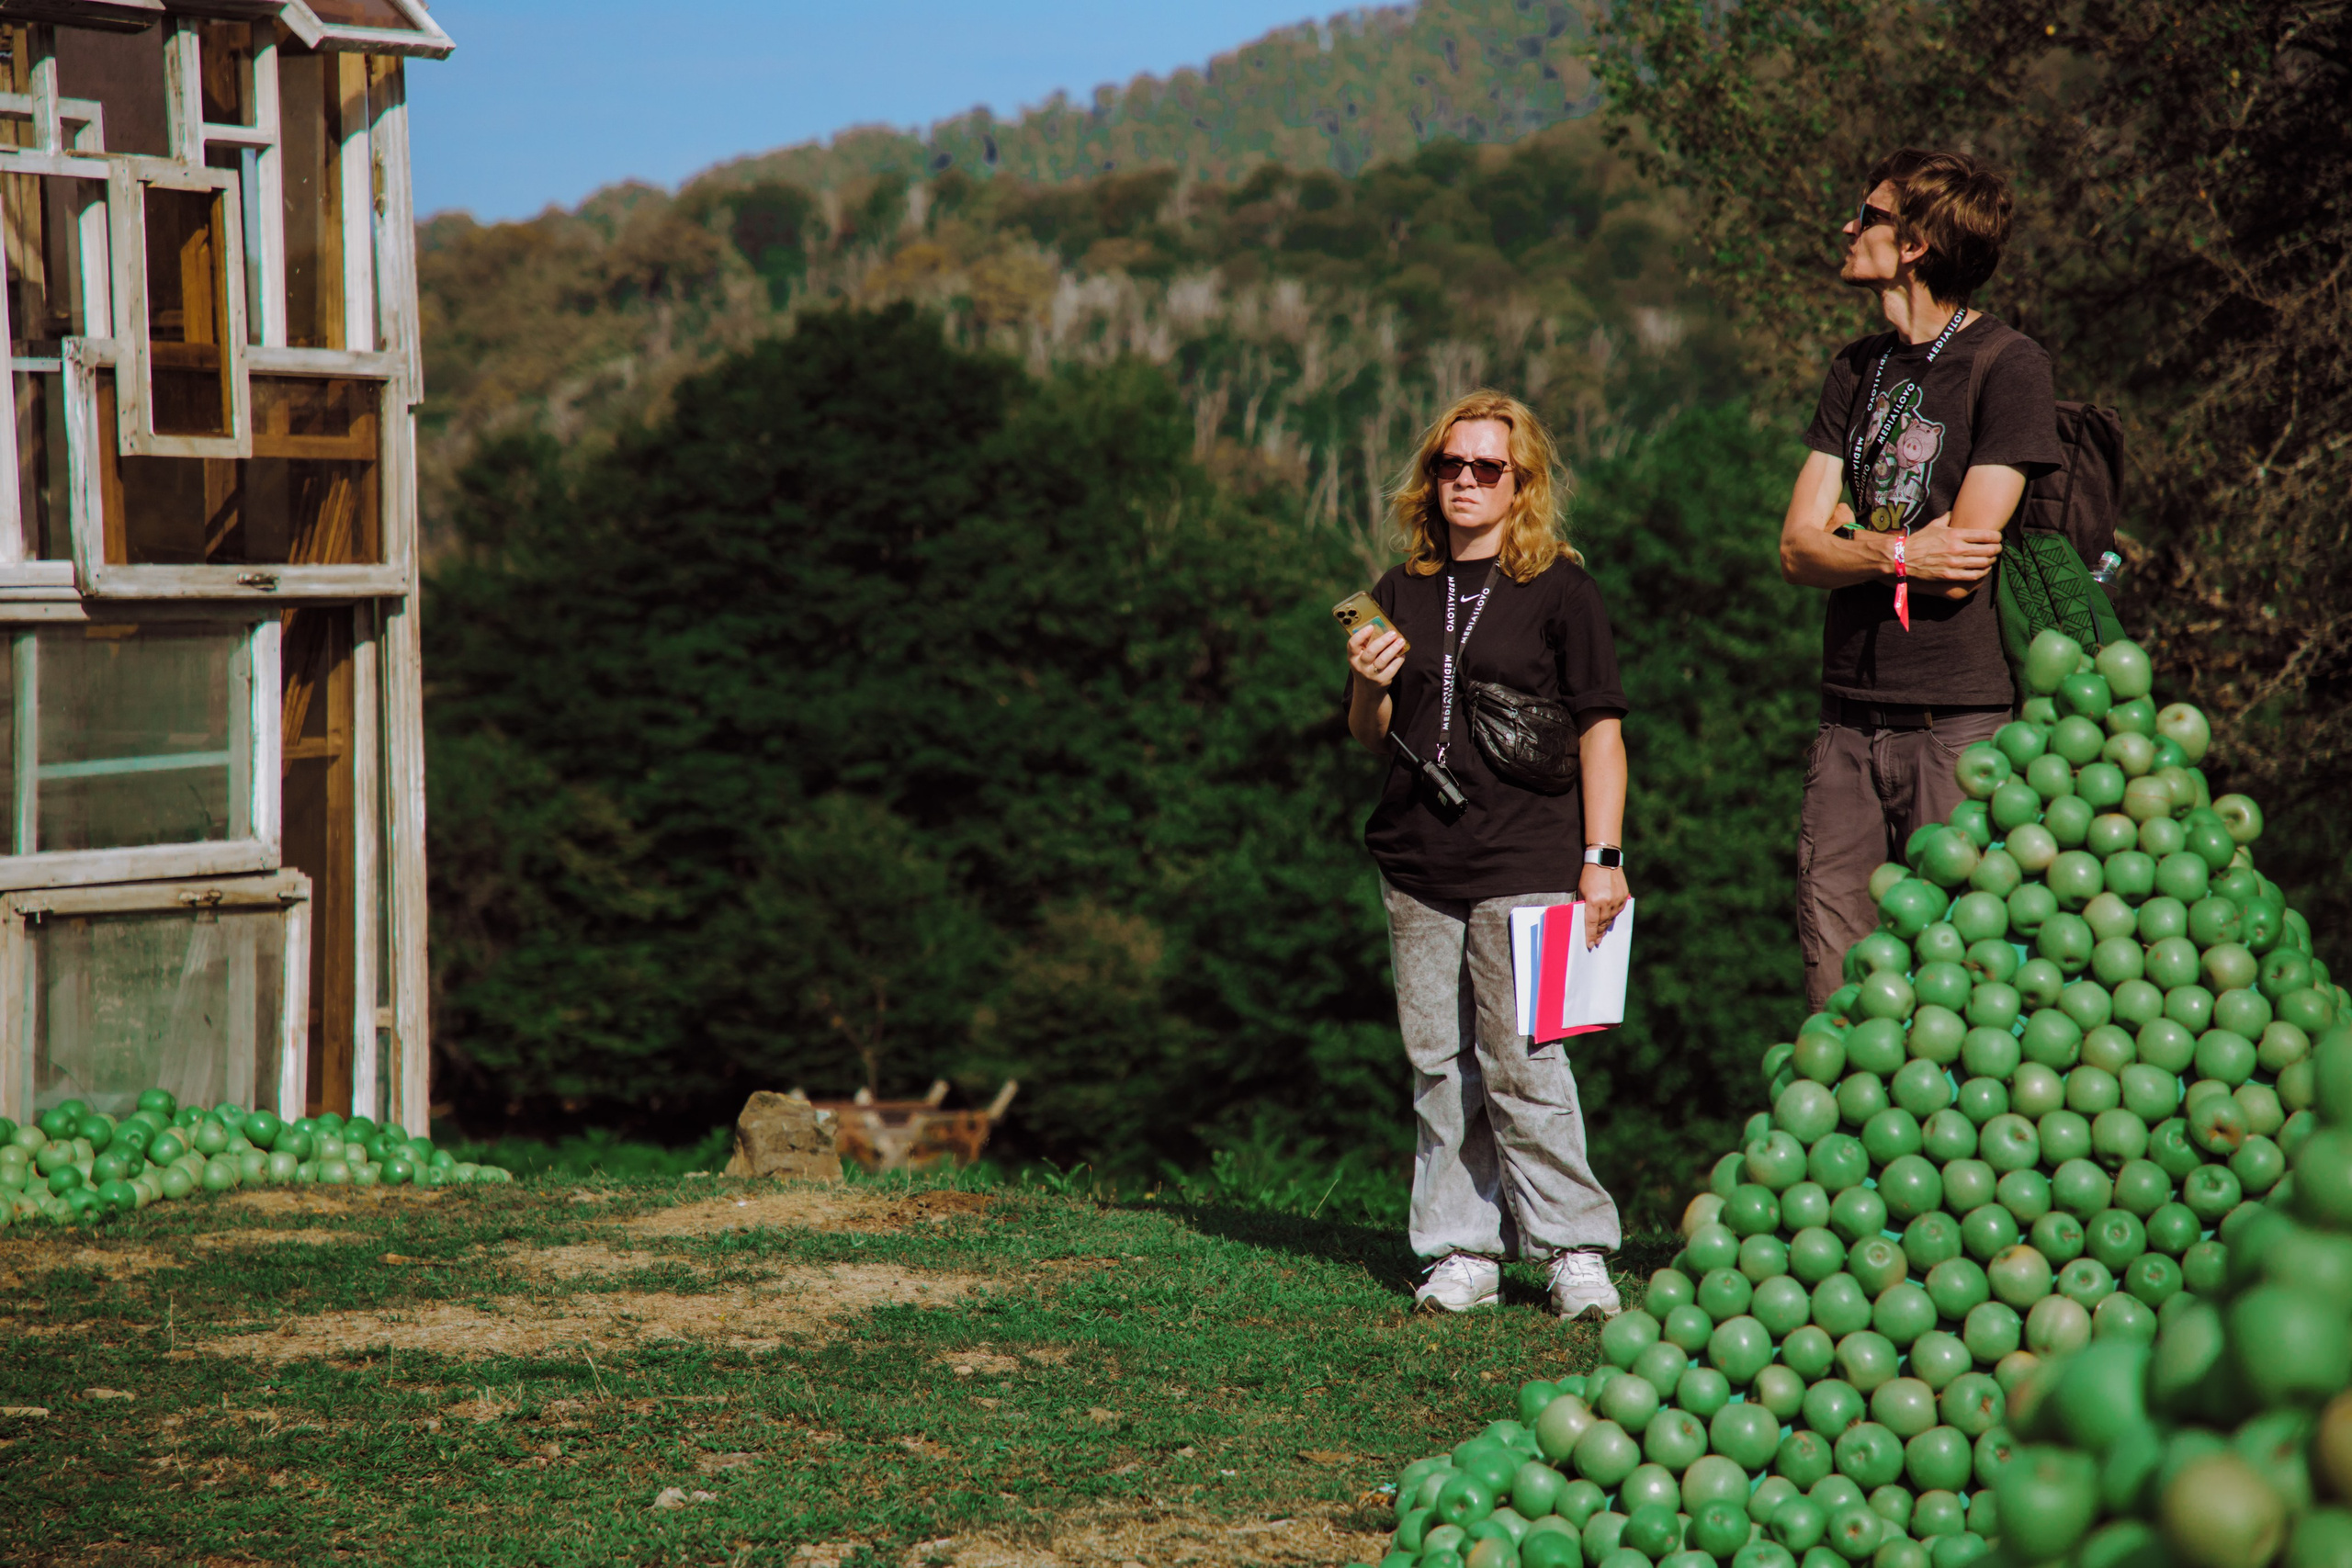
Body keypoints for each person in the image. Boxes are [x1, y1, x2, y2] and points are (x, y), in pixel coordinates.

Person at [1342, 389, 1629, 1320]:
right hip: (1418, 859)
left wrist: (1603, 854)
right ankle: (1460, 1249)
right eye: (1448, 466)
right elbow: (1368, 735)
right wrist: (1366, 687)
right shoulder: (1397, 591)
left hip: (1528, 853)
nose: (1464, 481)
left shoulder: (1560, 588)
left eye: (1486, 468)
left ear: (1522, 484)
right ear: (1428, 480)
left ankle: (1572, 1249)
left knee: (1526, 1062)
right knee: (1438, 1064)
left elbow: (1600, 729)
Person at [1779, 150, 2064, 1012]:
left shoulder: (2006, 365)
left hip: (1959, 732)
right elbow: (1795, 548)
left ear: (1916, 243)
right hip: (1844, 731)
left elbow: (1964, 561)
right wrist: (1899, 551)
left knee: (1956, 996)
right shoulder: (1854, 367)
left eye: (1866, 213)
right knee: (1836, 993)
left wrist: (1853, 539)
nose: (1848, 226)